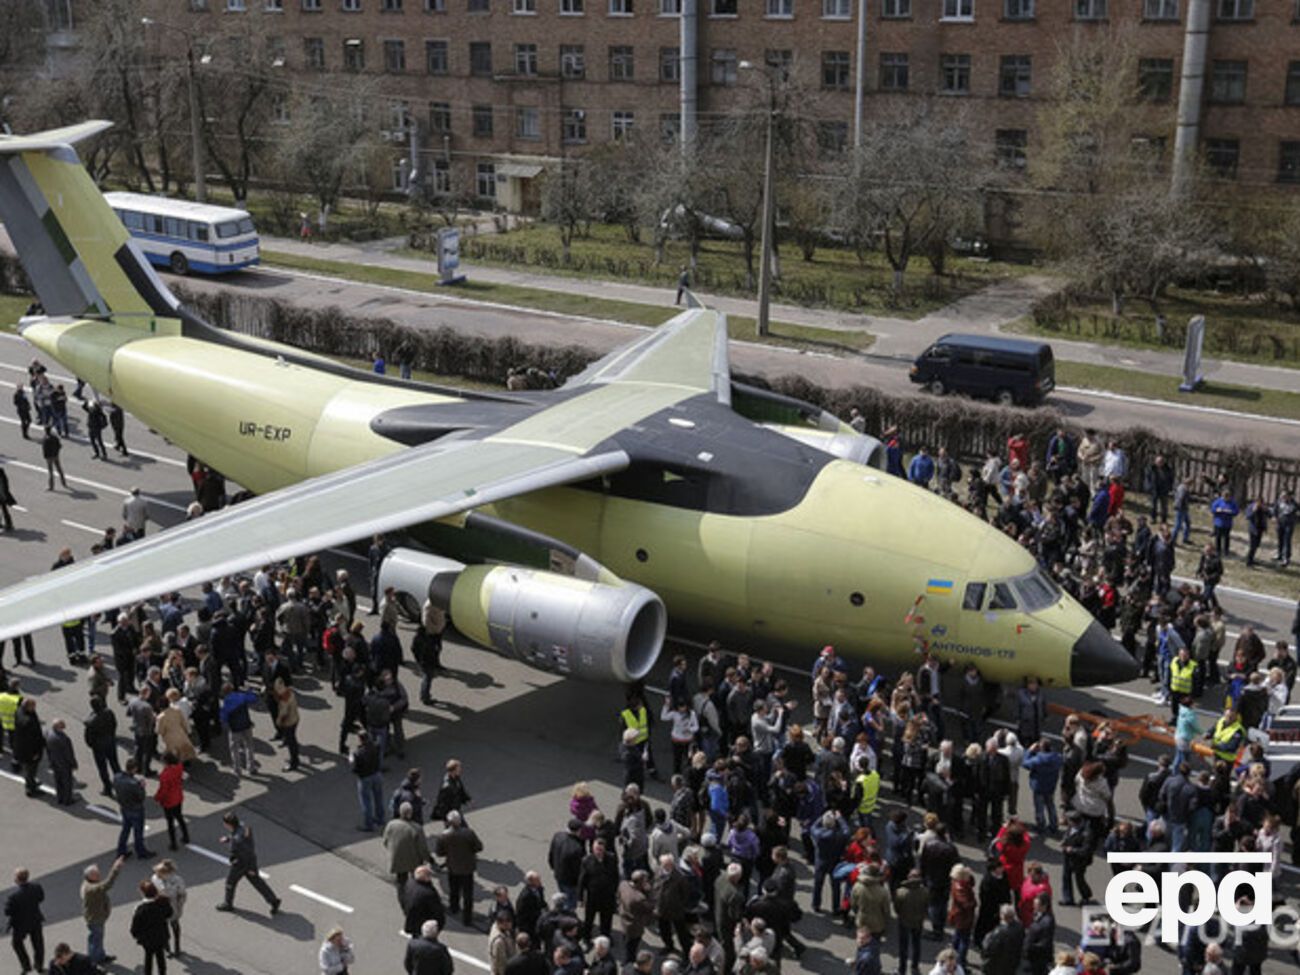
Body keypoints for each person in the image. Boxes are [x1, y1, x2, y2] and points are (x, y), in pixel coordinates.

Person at [216, 812, 281, 915]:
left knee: (230, 883)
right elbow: (239, 837)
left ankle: (228, 904)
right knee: (257, 882)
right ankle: (273, 901)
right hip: (250, 861)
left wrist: (248, 868)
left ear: (228, 824)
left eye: (225, 823)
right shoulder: (243, 827)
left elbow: (244, 852)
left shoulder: (238, 840)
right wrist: (228, 839)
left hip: (241, 864)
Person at [436, 809, 484, 927]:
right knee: (468, 894)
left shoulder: (444, 835)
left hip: (452, 866)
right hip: (467, 868)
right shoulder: (469, 833)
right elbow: (479, 847)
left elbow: (439, 852)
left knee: (454, 889)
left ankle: (454, 908)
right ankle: (467, 919)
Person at [80, 856, 125, 968]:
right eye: (97, 874)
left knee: (97, 938)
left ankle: (100, 956)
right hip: (95, 918)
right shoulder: (91, 889)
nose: (100, 875)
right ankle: (93, 962)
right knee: (95, 939)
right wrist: (115, 869)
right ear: (91, 876)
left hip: (96, 916)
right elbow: (107, 884)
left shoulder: (88, 883)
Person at [384, 802, 432, 898]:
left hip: (397, 858)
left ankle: (402, 897)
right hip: (413, 860)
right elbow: (422, 848)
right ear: (410, 813)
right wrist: (427, 858)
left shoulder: (391, 824)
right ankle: (414, 897)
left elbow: (385, 841)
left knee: (401, 880)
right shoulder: (416, 828)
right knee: (416, 880)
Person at [5, 867, 45, 974]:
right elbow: (41, 898)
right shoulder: (37, 887)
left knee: (17, 943)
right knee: (38, 944)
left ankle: (26, 966)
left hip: (20, 924)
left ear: (17, 879)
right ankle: (39, 965)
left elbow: (7, 911)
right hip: (35, 920)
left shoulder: (13, 896)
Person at [129, 880, 172, 975]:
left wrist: (136, 936)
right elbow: (169, 914)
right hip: (161, 936)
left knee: (148, 958)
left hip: (147, 939)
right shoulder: (163, 903)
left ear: (143, 893)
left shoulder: (140, 909)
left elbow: (135, 927)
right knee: (160, 956)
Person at [114, 758, 154, 859]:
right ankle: (141, 852)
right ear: (134, 769)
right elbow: (141, 797)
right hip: (136, 809)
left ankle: (121, 851)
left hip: (124, 808)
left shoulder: (117, 777)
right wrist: (142, 787)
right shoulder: (134, 783)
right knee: (138, 832)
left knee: (125, 830)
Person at [150, 860, 186, 959]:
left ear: (168, 873)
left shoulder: (177, 880)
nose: (157, 875)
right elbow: (152, 893)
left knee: (175, 925)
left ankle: (177, 947)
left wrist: (180, 906)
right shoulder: (155, 878)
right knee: (163, 929)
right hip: (161, 907)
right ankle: (167, 949)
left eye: (160, 873)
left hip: (173, 906)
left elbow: (182, 894)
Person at [13, 697, 44, 797]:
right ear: (28, 707)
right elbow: (30, 741)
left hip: (21, 748)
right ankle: (30, 789)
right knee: (30, 770)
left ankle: (31, 783)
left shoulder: (19, 711)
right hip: (29, 753)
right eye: (33, 706)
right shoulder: (28, 722)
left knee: (29, 770)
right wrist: (33, 754)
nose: (35, 708)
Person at [44, 718, 77, 805]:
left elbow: (48, 750)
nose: (64, 726)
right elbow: (69, 754)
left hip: (54, 762)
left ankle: (60, 798)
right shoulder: (64, 739)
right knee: (67, 782)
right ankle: (67, 800)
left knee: (58, 781)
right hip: (64, 764)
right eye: (62, 725)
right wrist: (73, 764)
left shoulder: (49, 735)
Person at [42, 425, 67, 490]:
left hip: (49, 457)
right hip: (55, 455)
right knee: (59, 469)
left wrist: (45, 457)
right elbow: (60, 446)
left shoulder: (45, 439)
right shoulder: (55, 437)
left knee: (50, 471)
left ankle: (51, 486)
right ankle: (63, 482)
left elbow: (45, 449)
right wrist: (56, 453)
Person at [0, 462, 15, 532]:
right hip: (2, 493)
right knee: (4, 508)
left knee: (4, 508)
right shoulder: (1, 471)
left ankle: (8, 524)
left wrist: (3, 493)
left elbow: (3, 484)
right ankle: (8, 523)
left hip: (1, 493)